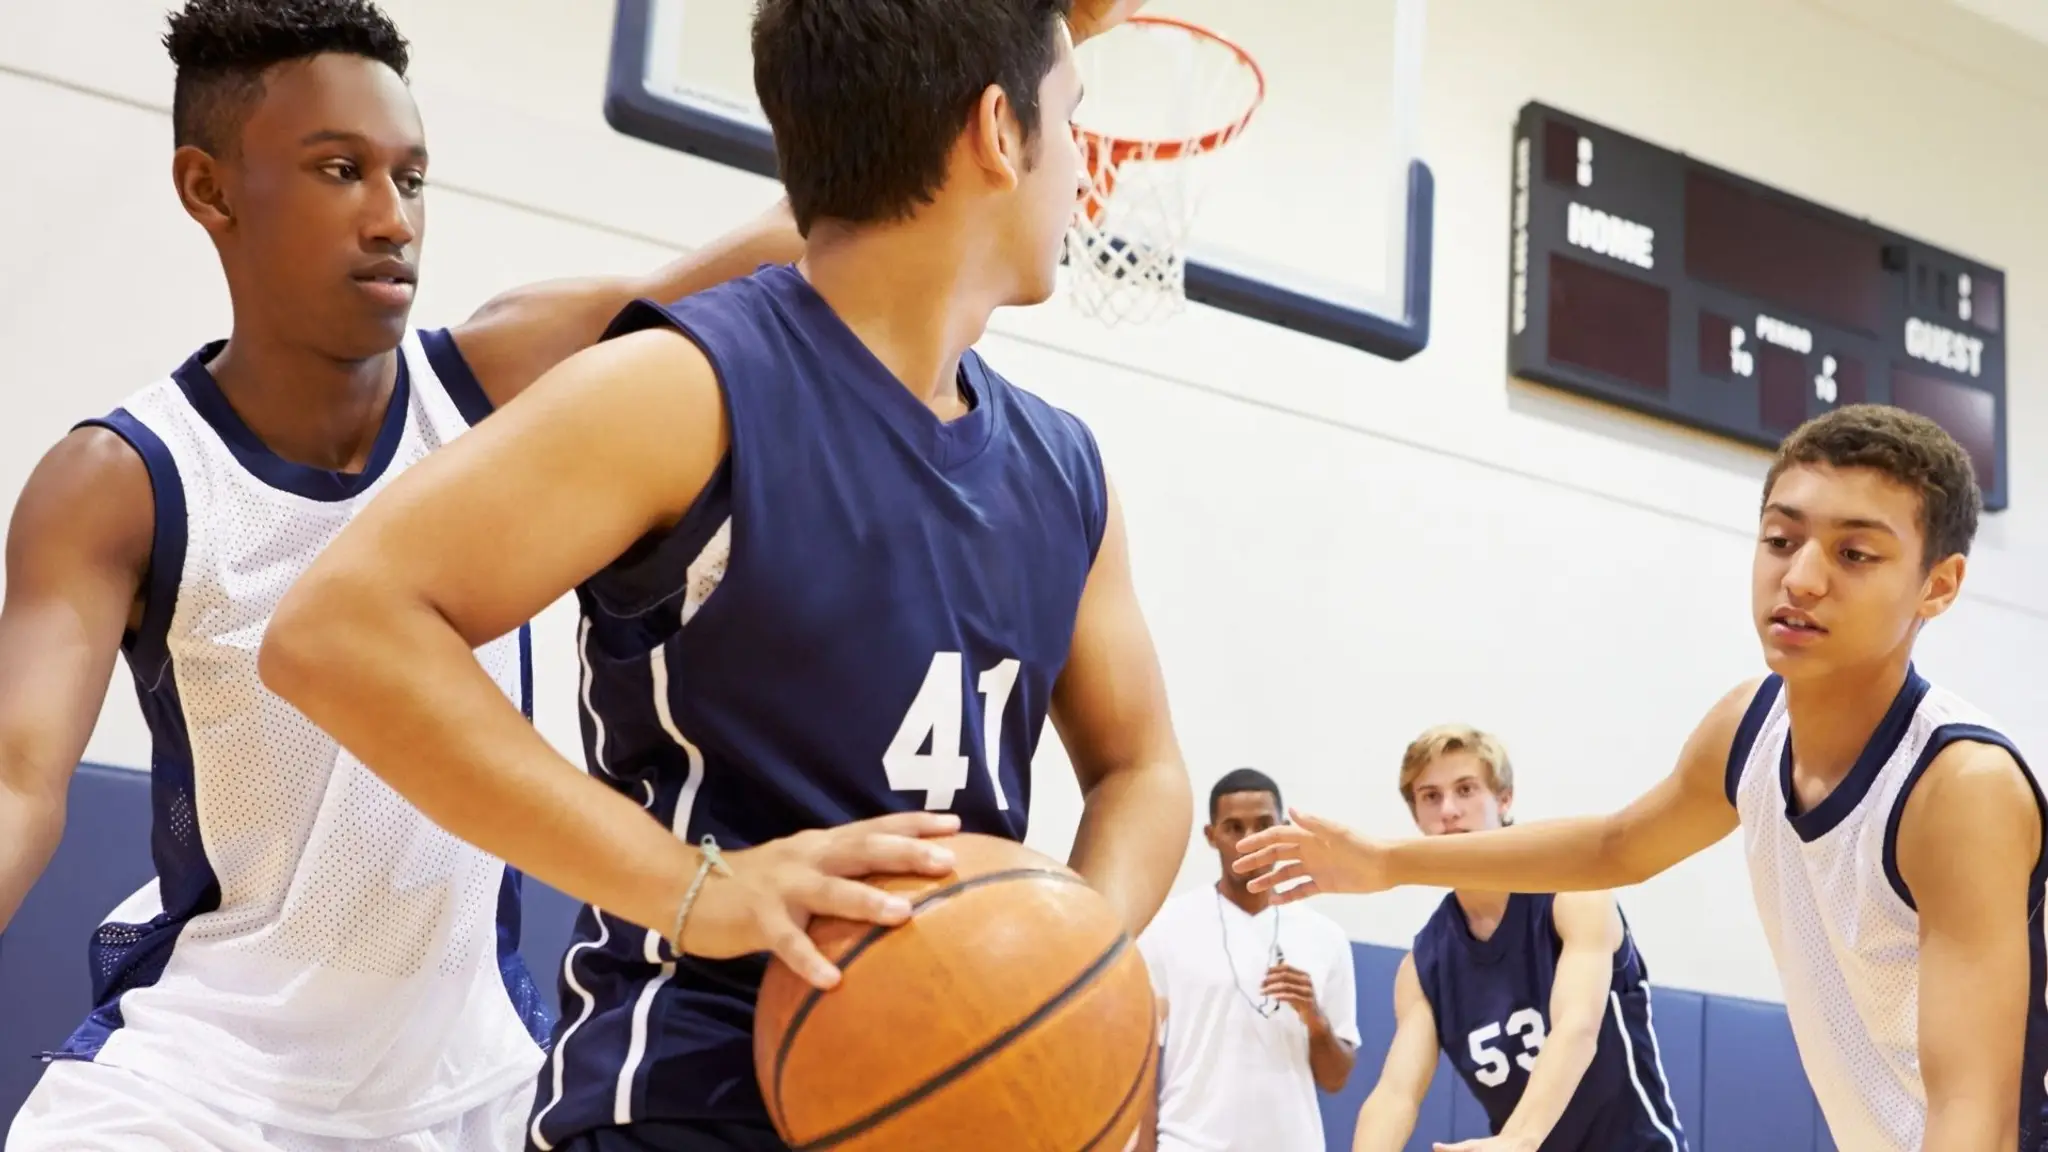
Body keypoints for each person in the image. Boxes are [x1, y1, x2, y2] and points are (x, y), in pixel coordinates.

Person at [253, 0, 1193, 1149]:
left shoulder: (1066, 471)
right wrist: (693, 889)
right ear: (999, 132)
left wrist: (1059, 958)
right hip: (691, 1095)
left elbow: (1141, 768)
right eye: (1073, 114)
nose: (1084, 162)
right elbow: (337, 630)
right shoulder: (685, 388)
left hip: (952, 1110)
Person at [0, 1, 818, 1148]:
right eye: (341, 171)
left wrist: (1025, 46)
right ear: (209, 188)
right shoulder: (121, 478)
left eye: (412, 178)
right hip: (201, 1086)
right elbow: (19, 783)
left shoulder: (506, 377)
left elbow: (807, 238)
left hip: (476, 1086)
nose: (392, 220)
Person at [1235, 404, 2046, 1152]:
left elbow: (1974, 1112)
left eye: (1854, 553)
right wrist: (1383, 863)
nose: (1800, 578)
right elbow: (1618, 845)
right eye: (1779, 539)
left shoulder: (1959, 790)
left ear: (1937, 586)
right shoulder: (1749, 728)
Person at [1352, 725, 1684, 1152]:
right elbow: (1396, 1095)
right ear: (1417, 816)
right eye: (1430, 796)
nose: (1449, 810)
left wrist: (1520, 1139)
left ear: (1503, 799)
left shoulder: (1574, 892)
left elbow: (1576, 1026)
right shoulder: (1423, 966)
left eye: (1466, 789)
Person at [1136, 769, 1358, 1152]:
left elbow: (1336, 1080)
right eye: (1233, 827)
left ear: (1283, 830)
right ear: (1211, 836)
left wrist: (1314, 1020)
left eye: (1263, 826)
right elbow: (1140, 1062)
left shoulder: (1326, 938)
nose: (1250, 840)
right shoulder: (1166, 927)